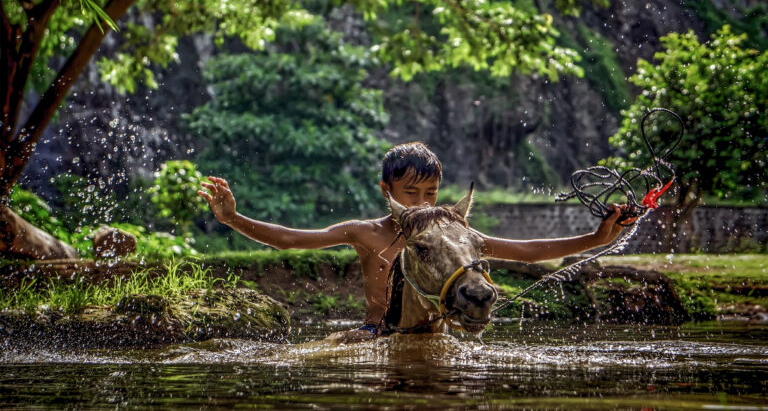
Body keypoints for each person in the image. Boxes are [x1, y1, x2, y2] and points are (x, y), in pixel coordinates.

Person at [198, 141, 632, 336]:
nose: (423, 201)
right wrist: (233, 219)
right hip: (377, 334)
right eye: (411, 192)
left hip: (440, 332)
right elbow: (293, 240)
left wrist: (597, 237)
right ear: (387, 192)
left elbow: (526, 251)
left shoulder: (454, 233)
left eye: (431, 193)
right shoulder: (367, 233)